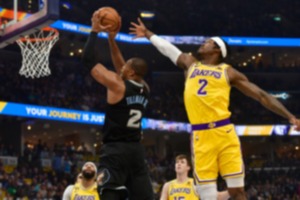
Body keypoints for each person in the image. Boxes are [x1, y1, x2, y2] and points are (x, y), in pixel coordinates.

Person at [129, 18, 300, 200]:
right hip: (201, 137)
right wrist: (148, 34)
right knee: (207, 196)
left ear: (217, 50)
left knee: (237, 191)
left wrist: (290, 116)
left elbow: (261, 95)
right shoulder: (191, 64)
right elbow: (169, 50)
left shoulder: (228, 72)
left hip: (224, 133)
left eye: (209, 42)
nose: (204, 43)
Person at [82, 11, 153, 200]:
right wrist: (112, 40)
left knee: (110, 196)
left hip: (115, 151)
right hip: (136, 152)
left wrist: (94, 31)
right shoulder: (145, 88)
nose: (120, 67)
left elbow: (88, 60)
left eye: (124, 67)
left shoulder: (117, 84)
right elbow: (122, 64)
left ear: (130, 72)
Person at [160, 154, 230, 200]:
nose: (179, 164)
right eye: (177, 162)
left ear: (188, 167)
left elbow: (215, 196)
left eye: (182, 162)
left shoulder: (195, 183)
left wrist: (231, 191)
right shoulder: (168, 185)